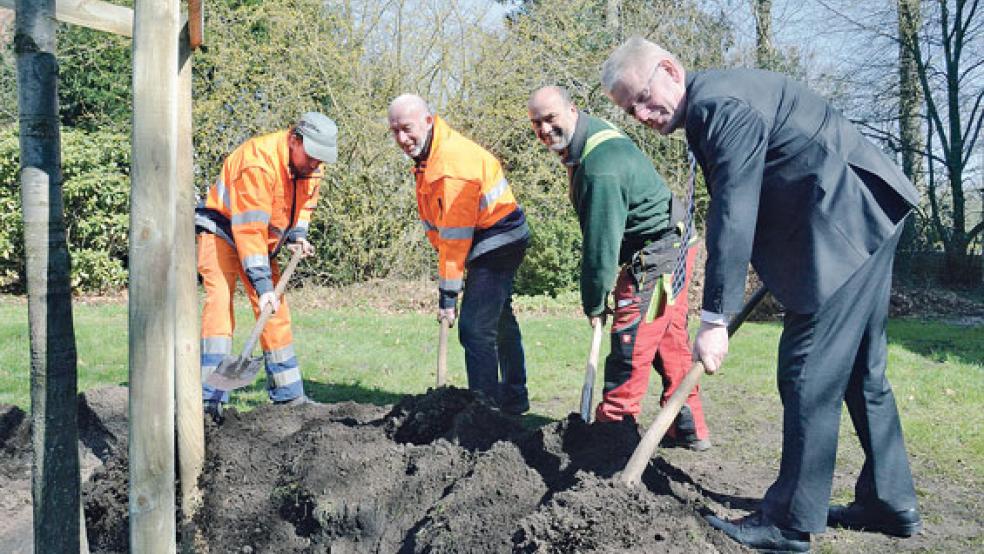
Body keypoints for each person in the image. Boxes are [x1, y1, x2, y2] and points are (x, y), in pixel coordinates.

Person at [600, 37, 922, 552]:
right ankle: (890, 500)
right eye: (628, 108)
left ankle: (790, 523)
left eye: (642, 96)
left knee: (806, 370)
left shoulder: (717, 106)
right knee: (862, 370)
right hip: (858, 215)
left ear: (670, 68)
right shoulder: (717, 101)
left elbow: (735, 206)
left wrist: (713, 319)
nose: (641, 114)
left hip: (843, 222)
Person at [527, 86, 708, 449]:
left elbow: (601, 245)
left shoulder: (600, 168)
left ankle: (611, 431)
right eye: (537, 123)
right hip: (675, 241)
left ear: (572, 110)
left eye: (551, 118)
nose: (545, 129)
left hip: (658, 255)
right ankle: (687, 423)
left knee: (631, 341)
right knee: (670, 341)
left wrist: (594, 301)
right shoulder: (588, 138)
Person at [388, 94, 531, 414]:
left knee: (475, 328)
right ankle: (514, 395)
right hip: (487, 237)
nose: (401, 138)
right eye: (394, 131)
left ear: (428, 120)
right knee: (498, 317)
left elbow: (454, 237)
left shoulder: (450, 164)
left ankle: (484, 412)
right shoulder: (430, 157)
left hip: (498, 239)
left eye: (407, 128)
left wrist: (448, 297)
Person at [195, 112, 338, 420]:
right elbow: (249, 229)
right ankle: (209, 399)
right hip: (222, 231)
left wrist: (298, 235)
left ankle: (289, 397)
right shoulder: (258, 162)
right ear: (294, 139)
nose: (316, 164)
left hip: (262, 243)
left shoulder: (312, 166)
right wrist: (262, 285)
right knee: (220, 304)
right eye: (312, 157)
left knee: (275, 312)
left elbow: (303, 206)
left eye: (320, 159)